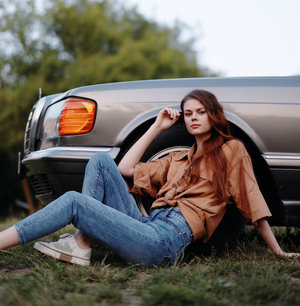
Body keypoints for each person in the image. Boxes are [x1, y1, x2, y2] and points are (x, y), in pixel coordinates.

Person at [0, 90, 299, 266]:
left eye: (200, 112)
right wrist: (157, 127)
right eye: (188, 113)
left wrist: (278, 250)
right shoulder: (177, 158)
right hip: (147, 225)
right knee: (101, 160)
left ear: (213, 115)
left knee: (75, 202)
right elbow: (124, 170)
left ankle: (62, 242)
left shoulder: (232, 151)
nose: (193, 117)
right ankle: (82, 242)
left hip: (165, 241)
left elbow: (253, 201)